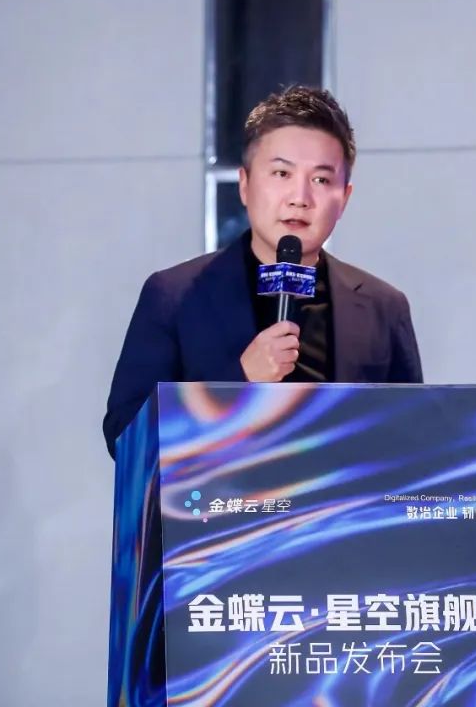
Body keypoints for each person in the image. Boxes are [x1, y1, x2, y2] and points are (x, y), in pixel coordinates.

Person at [102, 85, 422, 457]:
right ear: (245, 185)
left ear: (344, 198)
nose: (300, 198)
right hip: (220, 495)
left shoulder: (384, 306)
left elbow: (414, 439)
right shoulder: (174, 295)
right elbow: (124, 435)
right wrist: (238, 383)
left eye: (321, 179)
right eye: (282, 173)